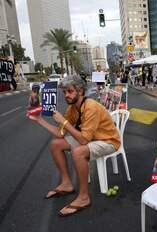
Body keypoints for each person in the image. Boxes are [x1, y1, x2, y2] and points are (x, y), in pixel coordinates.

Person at [28, 75, 121, 216]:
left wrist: (63, 122)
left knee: (78, 152)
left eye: (70, 91)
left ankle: (84, 197)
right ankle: (66, 183)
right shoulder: (72, 109)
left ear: (80, 91)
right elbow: (60, 134)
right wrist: (39, 119)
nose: (67, 95)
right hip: (92, 139)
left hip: (108, 141)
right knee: (55, 144)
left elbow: (83, 141)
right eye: (64, 92)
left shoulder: (91, 107)